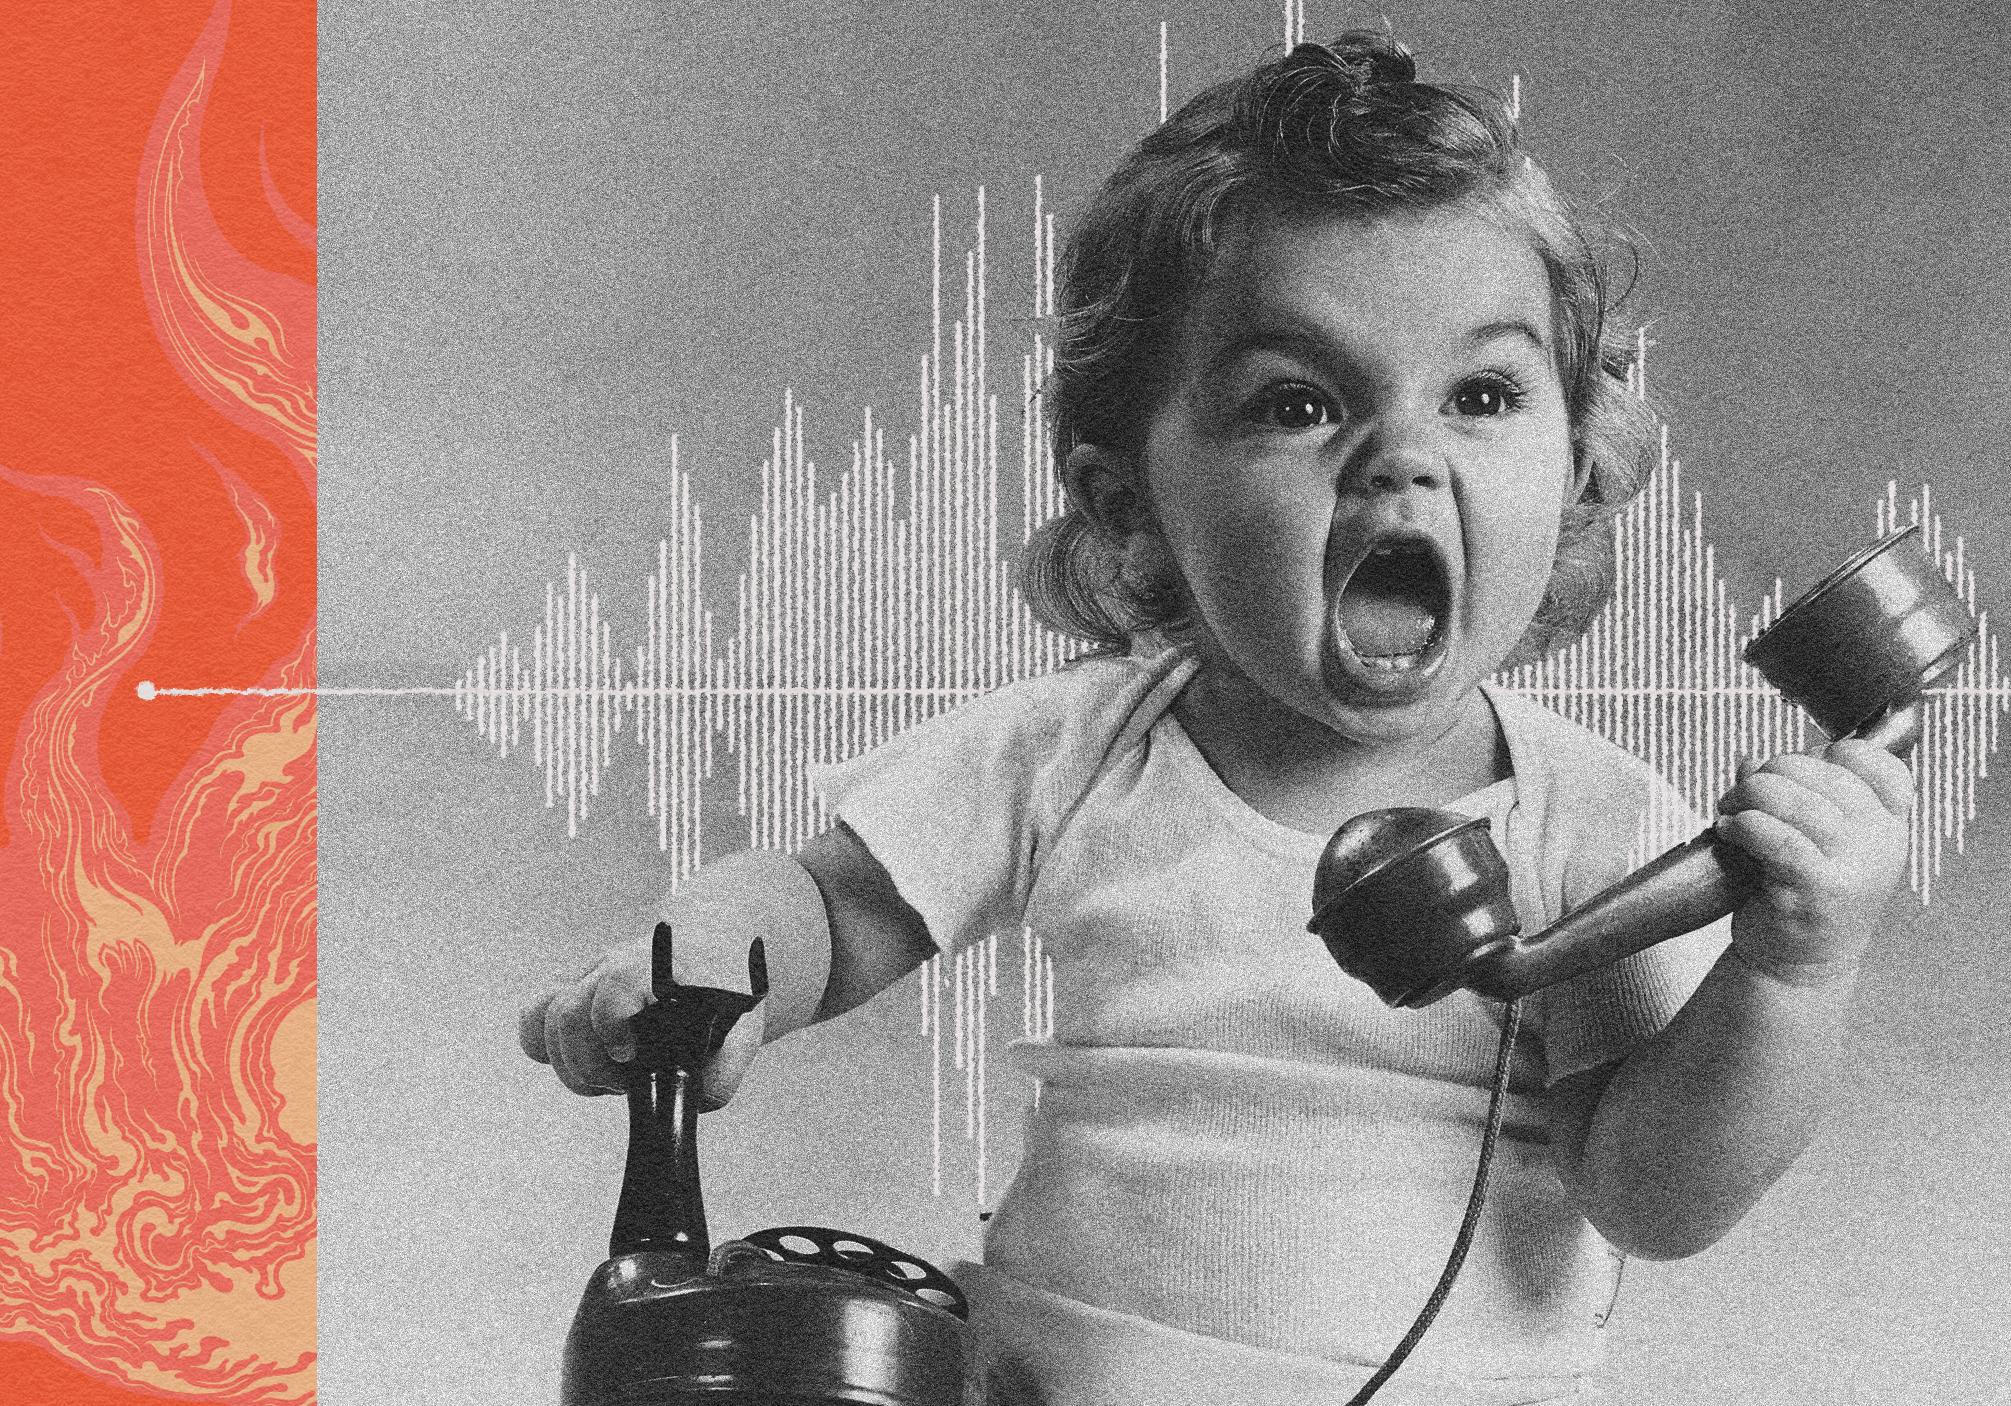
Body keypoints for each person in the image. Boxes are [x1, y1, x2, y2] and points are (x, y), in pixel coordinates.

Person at [521, 32, 1912, 1406]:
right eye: (1301, 403)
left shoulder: (1595, 827)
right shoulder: (1074, 754)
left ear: (1576, 461)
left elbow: (1657, 1195)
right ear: (1131, 499)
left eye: (1483, 394)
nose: (1403, 462)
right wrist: (702, 958)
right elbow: (830, 906)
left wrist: (1788, 974)